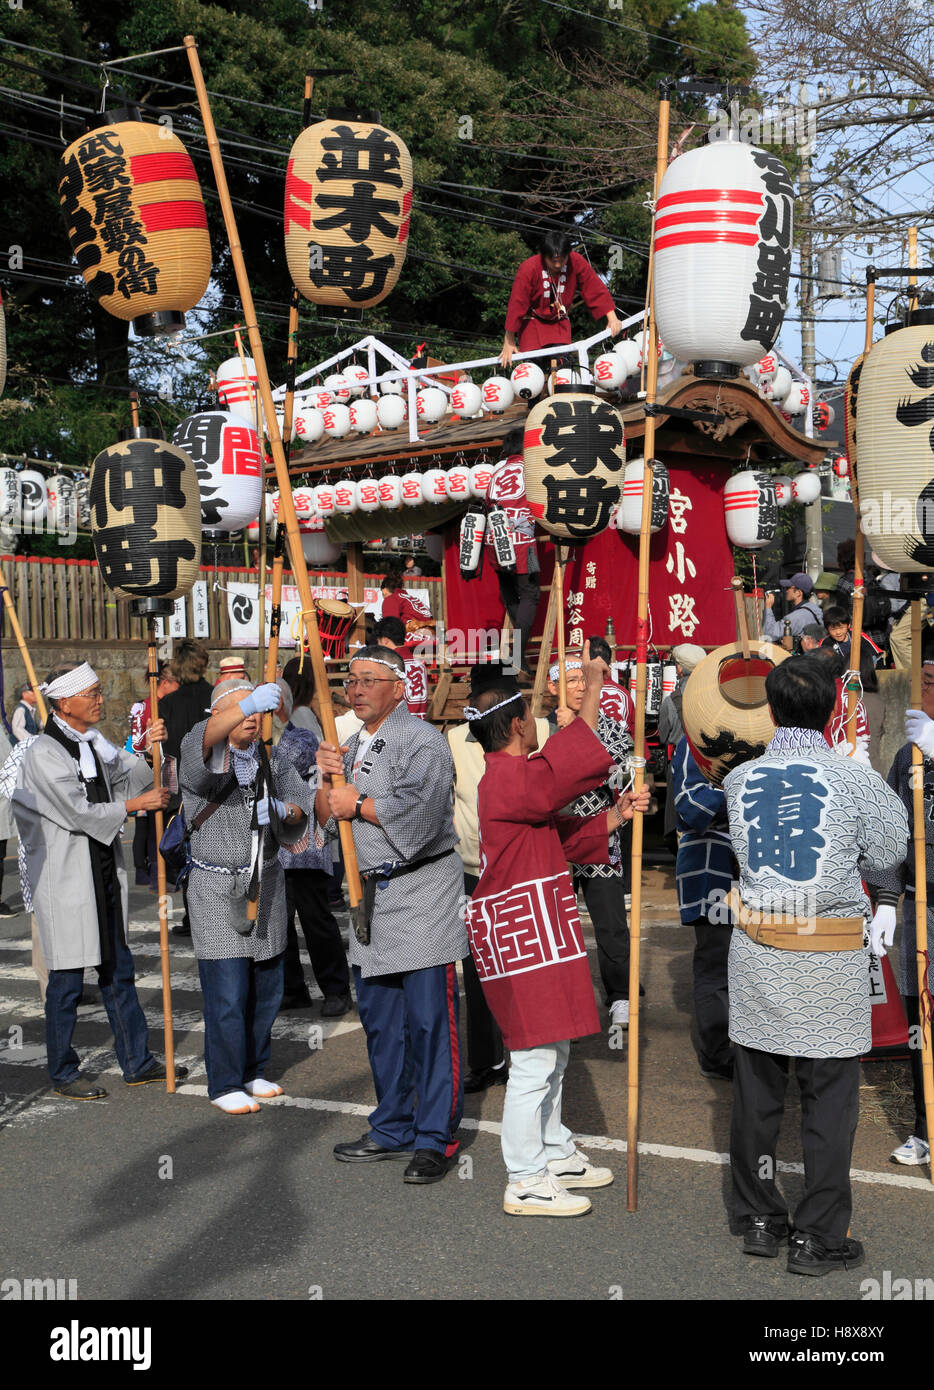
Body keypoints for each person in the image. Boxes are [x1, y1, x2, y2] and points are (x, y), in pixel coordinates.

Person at [722, 656, 908, 1274]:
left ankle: (757, 1217)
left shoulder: (739, 780)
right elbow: (892, 849)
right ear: (833, 708)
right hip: (827, 961)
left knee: (757, 1097)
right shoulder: (855, 781)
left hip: (760, 953)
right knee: (828, 1103)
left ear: (770, 710)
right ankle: (817, 1235)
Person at [467, 644, 649, 1216]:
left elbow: (562, 836)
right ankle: (523, 1178)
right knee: (532, 1059)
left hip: (538, 922)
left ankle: (551, 1149)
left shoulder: (517, 779)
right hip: (521, 927)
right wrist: (595, 686)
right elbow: (569, 763)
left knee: (559, 1046)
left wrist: (618, 815)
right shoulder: (508, 779)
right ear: (519, 725)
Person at [315, 645, 466, 1184]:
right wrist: (325, 783)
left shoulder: (422, 740)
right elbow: (324, 817)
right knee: (381, 1022)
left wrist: (354, 803)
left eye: (369, 679)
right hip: (369, 898)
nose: (355, 689)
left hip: (421, 893)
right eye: (351, 679)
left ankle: (435, 1136)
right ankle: (394, 1122)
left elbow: (423, 818)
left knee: (429, 1022)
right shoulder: (348, 745)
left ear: (399, 689)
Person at [12, 662, 185, 1100]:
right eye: (90, 693)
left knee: (118, 971)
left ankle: (137, 1061)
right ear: (64, 703)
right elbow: (77, 812)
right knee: (67, 981)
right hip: (67, 878)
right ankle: (63, 1071)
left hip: (103, 871)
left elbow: (138, 782)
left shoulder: (93, 744)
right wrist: (133, 805)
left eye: (98, 691)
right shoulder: (43, 753)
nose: (99, 699)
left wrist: (149, 750)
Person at [179, 678, 310, 1114]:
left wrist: (283, 810)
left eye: (255, 710)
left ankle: (254, 1067)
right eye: (240, 710)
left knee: (267, 986)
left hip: (267, 882)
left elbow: (300, 806)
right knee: (228, 991)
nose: (250, 718)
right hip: (218, 886)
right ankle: (224, 1080)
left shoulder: (270, 757)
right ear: (217, 716)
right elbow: (201, 741)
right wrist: (245, 703)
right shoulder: (199, 757)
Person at [448, 662, 551, 1092]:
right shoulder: (453, 738)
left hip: (527, 871)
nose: (479, 704)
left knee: (532, 967)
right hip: (474, 871)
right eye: (476, 698)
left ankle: (536, 1049)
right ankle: (486, 1061)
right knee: (478, 970)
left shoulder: (540, 729)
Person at [864, 665, 934, 1165]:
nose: (925, 688)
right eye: (923, 678)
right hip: (921, 907)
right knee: (921, 1024)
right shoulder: (907, 755)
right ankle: (925, 1125)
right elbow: (892, 834)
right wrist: (887, 899)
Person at [548, 655, 635, 1028]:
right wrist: (565, 735)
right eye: (572, 680)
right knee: (555, 924)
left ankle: (619, 995)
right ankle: (561, 997)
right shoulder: (539, 728)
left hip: (602, 831)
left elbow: (618, 764)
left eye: (585, 680)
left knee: (611, 922)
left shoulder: (611, 726)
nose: (582, 687)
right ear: (554, 688)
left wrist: (585, 732)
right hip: (555, 838)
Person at [276, 658, 351, 1016]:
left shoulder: (301, 735)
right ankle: (292, 988)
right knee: (278, 922)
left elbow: (315, 784)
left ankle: (336, 988)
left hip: (304, 842)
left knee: (315, 918)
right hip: (272, 845)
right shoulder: (256, 740)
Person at [670, 735, 735, 1080]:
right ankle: (718, 1054)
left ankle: (757, 1052)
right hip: (713, 864)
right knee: (717, 963)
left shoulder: (769, 737)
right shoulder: (694, 740)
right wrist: (748, 792)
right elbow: (691, 804)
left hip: (764, 870)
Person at [499, 231, 622, 368]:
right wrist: (509, 340)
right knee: (532, 369)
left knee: (563, 366)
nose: (558, 265)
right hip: (532, 323)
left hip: (559, 322)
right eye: (553, 260)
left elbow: (593, 287)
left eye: (562, 260)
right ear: (544, 256)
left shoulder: (576, 262)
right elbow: (517, 303)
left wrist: (612, 318)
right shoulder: (529, 268)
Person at [160, 640, 214, 936]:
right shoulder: (214, 698)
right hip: (214, 787)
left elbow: (167, 755)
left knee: (188, 853)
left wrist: (169, 793)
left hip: (181, 789)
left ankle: (192, 915)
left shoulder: (167, 704)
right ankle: (211, 912)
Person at [485, 430, 541, 679]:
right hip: (523, 542)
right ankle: (518, 652)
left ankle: (517, 653)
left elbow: (488, 503)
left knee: (509, 591)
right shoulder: (531, 469)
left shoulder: (495, 474)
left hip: (495, 540)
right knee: (530, 593)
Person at [129, 660, 180, 886]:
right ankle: (150, 872)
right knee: (149, 823)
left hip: (165, 765)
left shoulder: (168, 704)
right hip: (147, 765)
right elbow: (137, 741)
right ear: (166, 682)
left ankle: (158, 871)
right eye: (176, 682)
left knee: (157, 822)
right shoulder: (146, 706)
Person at [372, 615, 429, 718]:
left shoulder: (390, 664)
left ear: (385, 640)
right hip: (421, 722)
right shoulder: (420, 662)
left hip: (400, 724)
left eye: (378, 642)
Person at [379, 568, 435, 650]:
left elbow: (390, 627)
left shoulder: (391, 599)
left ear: (384, 591)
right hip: (434, 637)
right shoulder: (411, 599)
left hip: (417, 638)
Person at [761, 573, 824, 644]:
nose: (786, 591)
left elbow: (770, 634)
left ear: (798, 593)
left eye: (789, 588)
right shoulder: (815, 610)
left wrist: (768, 607)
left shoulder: (797, 617)